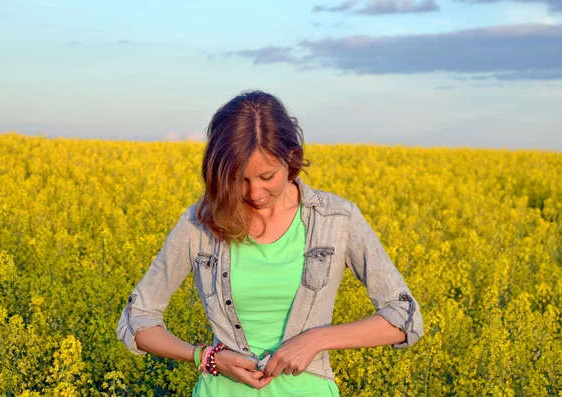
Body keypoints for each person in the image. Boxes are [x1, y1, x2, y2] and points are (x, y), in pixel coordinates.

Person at [116, 90, 424, 396]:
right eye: (238, 179)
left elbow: (404, 317)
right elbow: (138, 318)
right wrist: (206, 357)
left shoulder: (336, 219)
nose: (254, 193)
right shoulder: (200, 223)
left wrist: (316, 339)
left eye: (267, 176)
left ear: (291, 159)